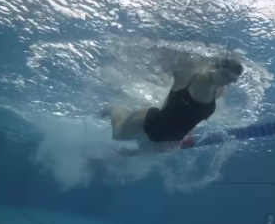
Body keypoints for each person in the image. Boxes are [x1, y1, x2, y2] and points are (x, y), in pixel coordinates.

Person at [101, 57, 243, 157]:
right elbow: (171, 62)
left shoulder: (220, 90)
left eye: (232, 80)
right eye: (225, 75)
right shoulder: (191, 76)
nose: (226, 81)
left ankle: (129, 152)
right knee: (117, 134)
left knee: (144, 155)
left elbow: (193, 116)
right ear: (215, 67)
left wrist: (186, 135)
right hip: (148, 122)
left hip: (170, 139)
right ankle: (115, 109)